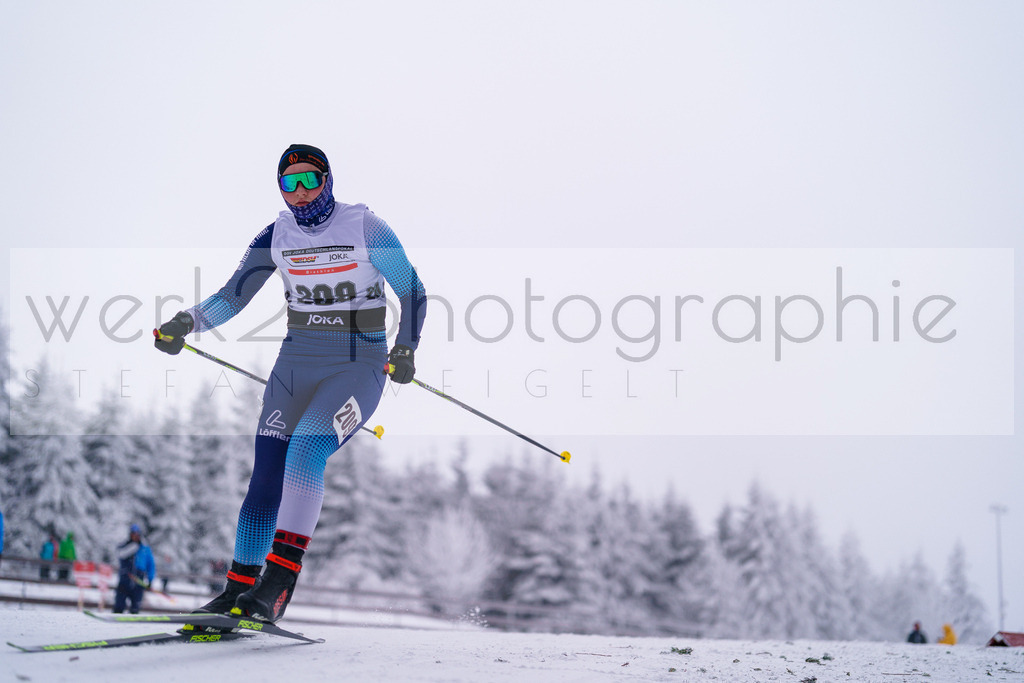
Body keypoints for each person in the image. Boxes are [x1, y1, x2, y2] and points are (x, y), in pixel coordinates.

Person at [155, 144, 427, 623]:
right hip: (296, 364)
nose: (300, 194)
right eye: (289, 184)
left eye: (309, 181)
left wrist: (405, 346)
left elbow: (411, 288)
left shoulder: (365, 226)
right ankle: (237, 588)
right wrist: (185, 322)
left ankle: (277, 585)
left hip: (357, 365)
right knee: (266, 473)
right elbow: (231, 297)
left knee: (306, 450)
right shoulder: (275, 235)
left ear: (328, 180)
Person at [113, 524, 157, 614]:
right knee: (119, 606)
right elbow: (120, 555)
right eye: (133, 534)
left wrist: (150, 580)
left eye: (137, 534)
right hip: (124, 580)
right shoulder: (124, 546)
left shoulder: (145, 549)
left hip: (138, 582)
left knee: (135, 608)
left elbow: (151, 565)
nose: (135, 536)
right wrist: (133, 547)